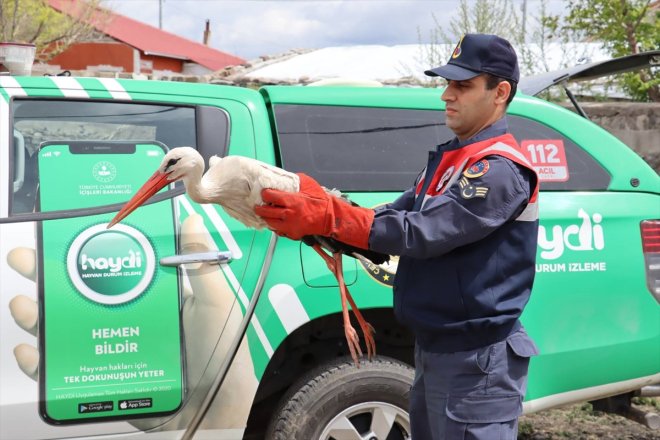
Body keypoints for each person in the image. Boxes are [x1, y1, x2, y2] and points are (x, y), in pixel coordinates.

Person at [255, 33, 540, 440]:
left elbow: (422, 233)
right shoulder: (451, 160)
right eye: (447, 84)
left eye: (462, 85)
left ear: (501, 92)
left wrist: (331, 218)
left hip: (477, 360)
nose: (446, 95)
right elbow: (388, 217)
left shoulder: (497, 169)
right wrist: (323, 216)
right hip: (438, 349)